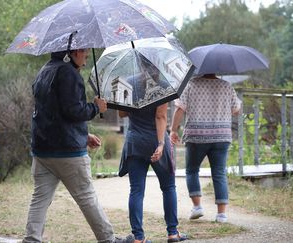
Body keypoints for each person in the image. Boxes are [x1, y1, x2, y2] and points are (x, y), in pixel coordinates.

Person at [23, 49, 126, 243]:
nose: (86, 61)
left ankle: (31, 239)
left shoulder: (44, 71)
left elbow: (54, 113)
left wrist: (84, 135)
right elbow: (74, 111)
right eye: (86, 56)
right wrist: (97, 107)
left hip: (42, 150)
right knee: (86, 197)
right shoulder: (69, 73)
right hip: (67, 153)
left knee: (40, 199)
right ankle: (108, 239)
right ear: (75, 52)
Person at [170, 74, 242, 224]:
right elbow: (236, 109)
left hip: (197, 135)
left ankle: (197, 207)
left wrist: (173, 130)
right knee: (219, 173)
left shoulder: (190, 84)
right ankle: (221, 215)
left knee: (192, 170)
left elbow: (179, 109)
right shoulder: (226, 85)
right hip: (221, 135)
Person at [118, 102, 187, 243]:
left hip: (135, 141)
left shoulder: (130, 83)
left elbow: (122, 113)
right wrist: (161, 144)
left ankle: (138, 237)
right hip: (156, 140)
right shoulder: (160, 86)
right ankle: (172, 233)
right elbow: (160, 116)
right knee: (168, 187)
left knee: (136, 190)